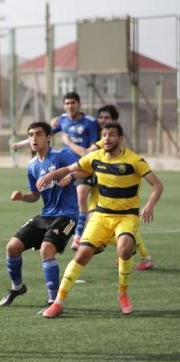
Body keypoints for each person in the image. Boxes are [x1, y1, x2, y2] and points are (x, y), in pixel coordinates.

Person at [37, 122, 163, 318]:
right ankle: (58, 302)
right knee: (81, 255)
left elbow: (157, 185)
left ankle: (122, 294)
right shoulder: (95, 157)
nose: (107, 138)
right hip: (101, 216)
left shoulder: (134, 160)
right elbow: (70, 168)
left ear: (120, 139)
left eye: (111, 134)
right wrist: (51, 176)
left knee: (124, 248)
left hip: (127, 216)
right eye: (104, 135)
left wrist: (149, 205)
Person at [0, 122, 79, 313]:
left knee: (46, 249)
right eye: (30, 135)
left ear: (48, 137)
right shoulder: (32, 166)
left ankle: (54, 302)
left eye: (38, 134)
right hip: (46, 215)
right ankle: (17, 287)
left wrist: (70, 176)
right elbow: (35, 195)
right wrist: (22, 197)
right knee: (12, 247)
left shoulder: (62, 155)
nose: (33, 139)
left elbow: (85, 168)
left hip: (67, 215)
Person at [88, 105, 154, 270]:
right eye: (101, 117)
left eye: (107, 118)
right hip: (99, 186)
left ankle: (122, 248)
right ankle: (138, 253)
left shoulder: (103, 143)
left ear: (115, 121)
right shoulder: (102, 139)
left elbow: (85, 153)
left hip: (112, 190)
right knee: (123, 228)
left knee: (109, 222)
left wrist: (67, 141)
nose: (103, 120)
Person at [51, 92, 99, 251]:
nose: (70, 106)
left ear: (79, 104)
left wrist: (68, 142)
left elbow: (88, 153)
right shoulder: (62, 120)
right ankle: (66, 234)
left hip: (84, 167)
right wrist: (22, 143)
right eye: (67, 103)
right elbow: (44, 132)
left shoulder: (90, 122)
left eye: (73, 103)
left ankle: (78, 237)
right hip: (67, 167)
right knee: (65, 202)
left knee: (81, 198)